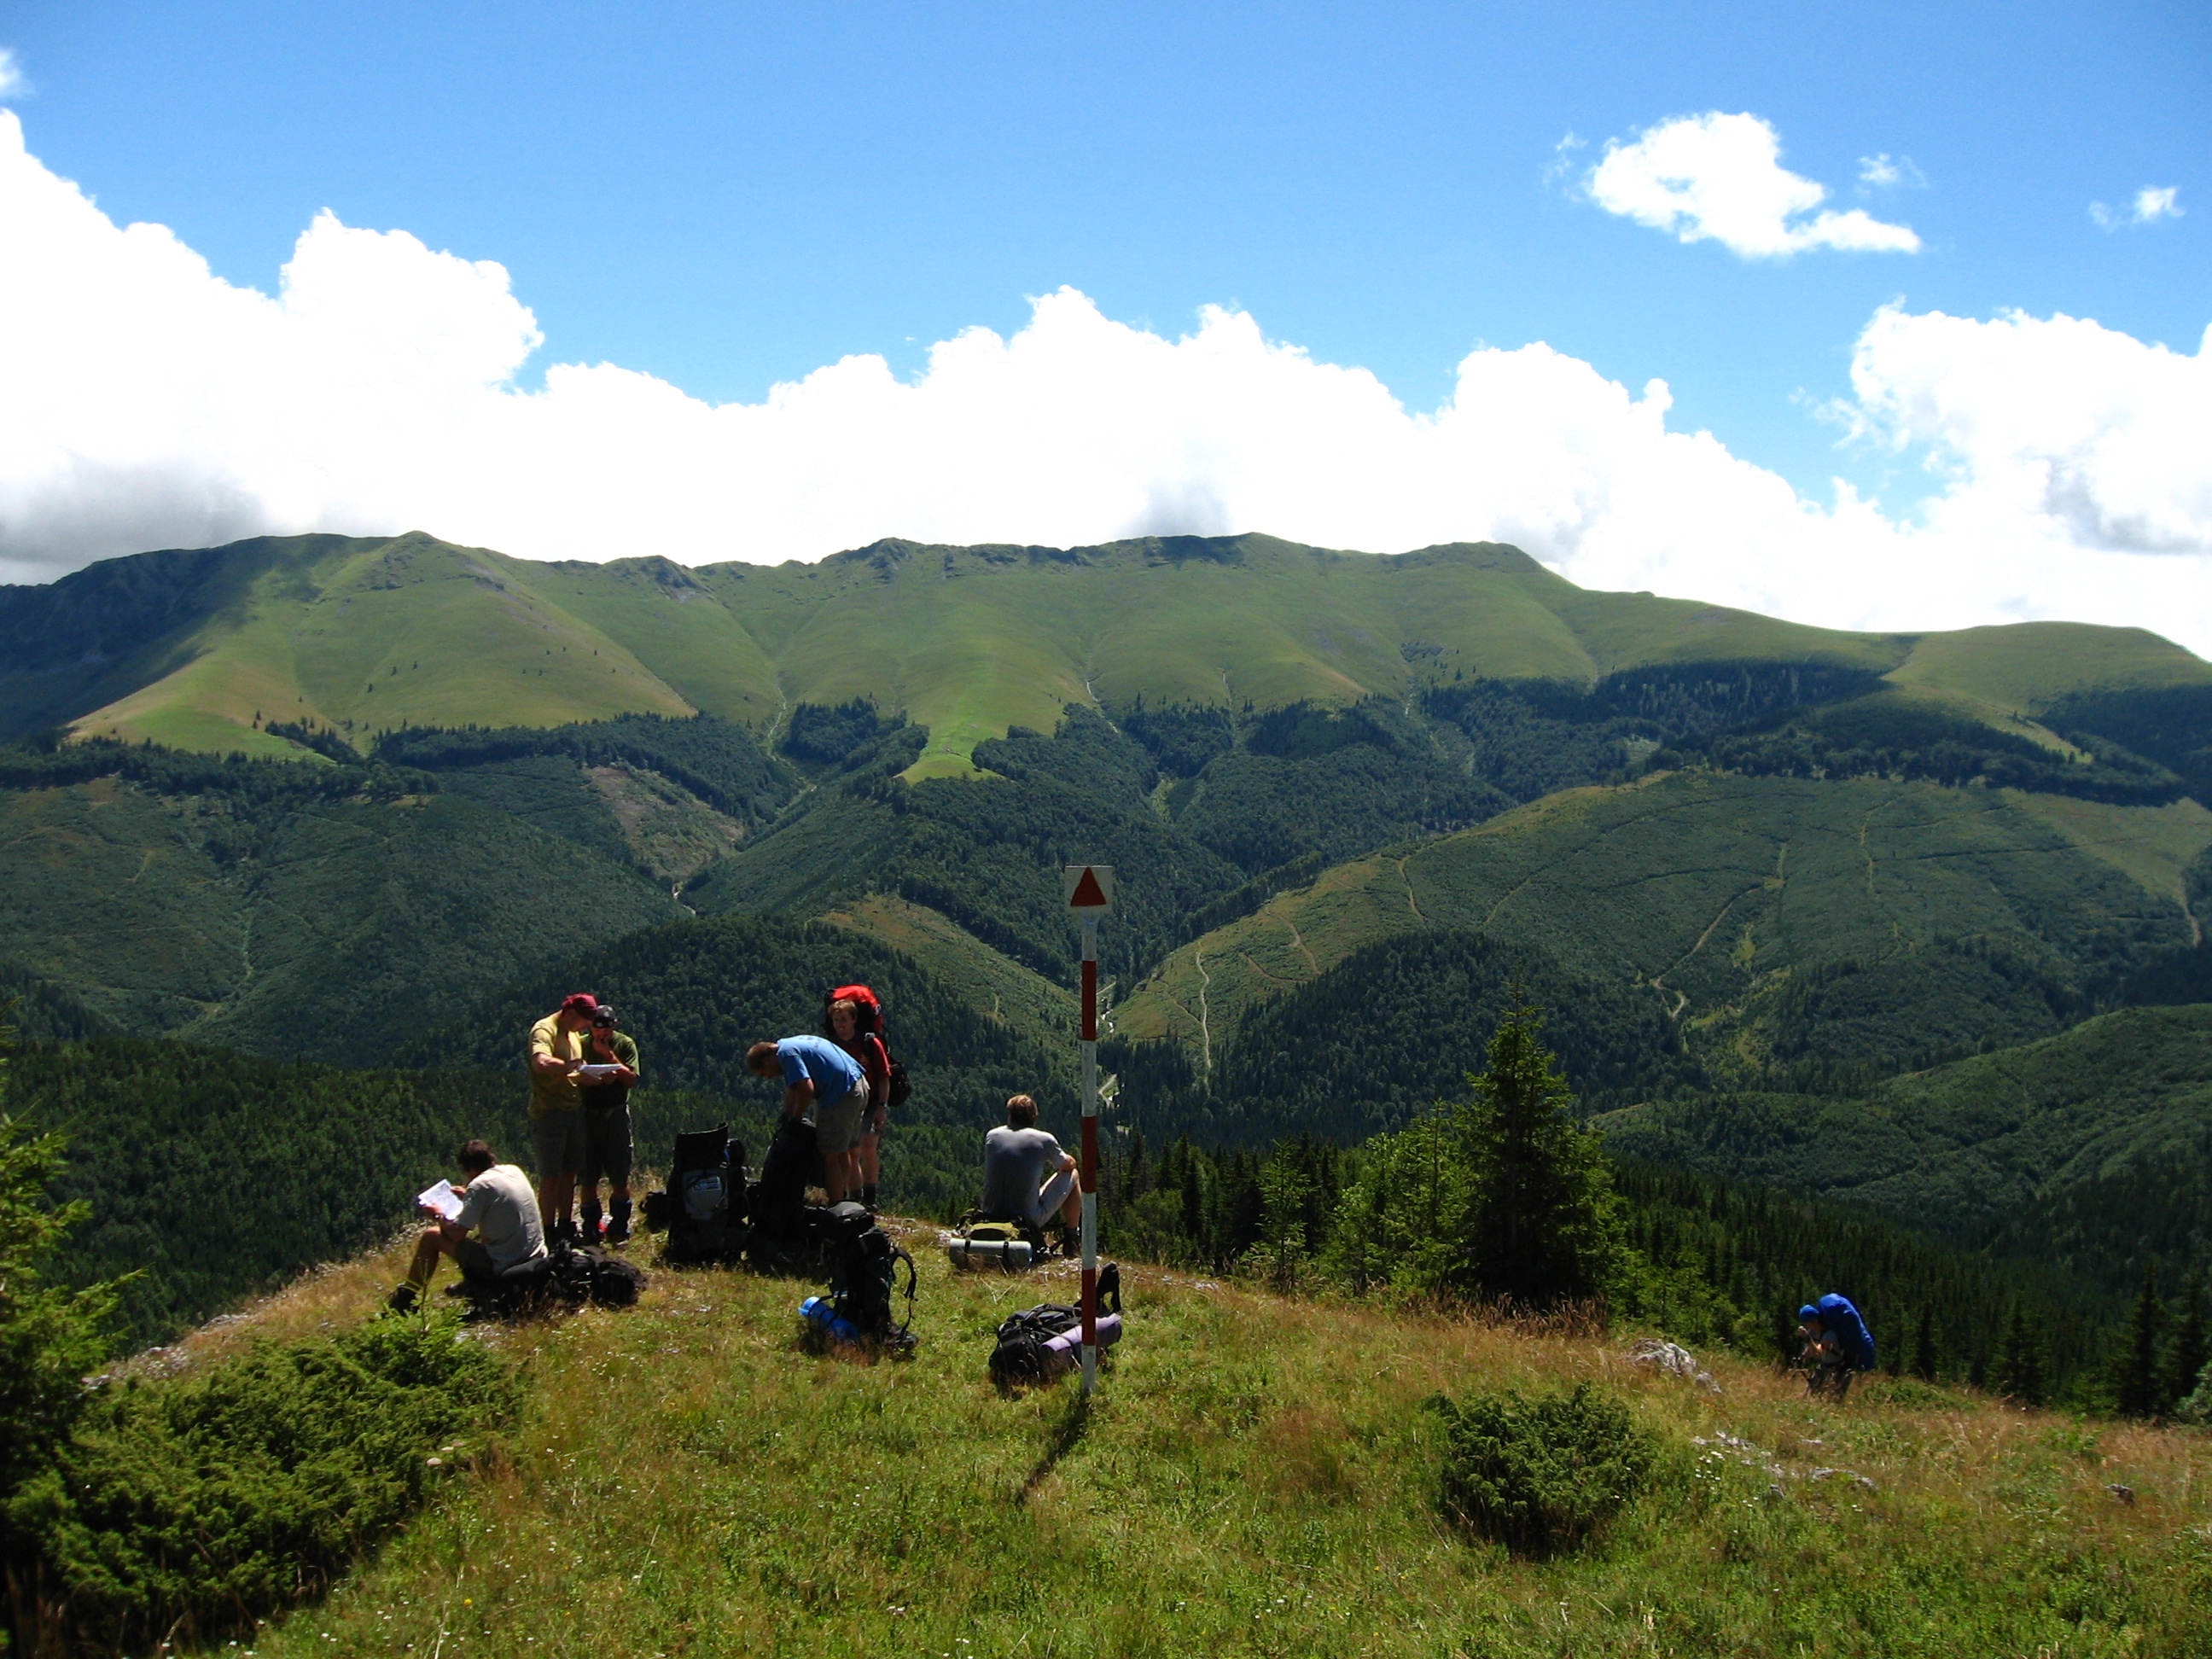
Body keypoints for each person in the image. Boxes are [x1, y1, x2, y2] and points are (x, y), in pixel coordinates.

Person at [387, 1138, 548, 1312]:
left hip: (505, 1263)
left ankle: (405, 1298)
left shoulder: (479, 1186)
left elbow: (456, 1235)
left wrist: (438, 1215)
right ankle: (470, 1284)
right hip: (535, 1255)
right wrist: (468, 1197)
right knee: (478, 1235)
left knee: (431, 1236)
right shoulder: (513, 1170)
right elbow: (497, 1204)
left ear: (471, 1169)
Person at [746, 1033, 869, 1205]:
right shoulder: (790, 1045)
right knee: (841, 1151)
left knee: (829, 1156)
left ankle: (836, 1207)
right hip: (858, 1085)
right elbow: (792, 1090)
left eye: (764, 1073)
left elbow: (806, 1089)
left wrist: (796, 1119)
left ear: (766, 1062)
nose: (769, 1077)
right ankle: (842, 1201)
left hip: (840, 1095)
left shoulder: (786, 1055)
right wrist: (787, 1117)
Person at [529, 992, 610, 1241]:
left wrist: (599, 1077)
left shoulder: (573, 1035)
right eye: (584, 1022)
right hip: (550, 1112)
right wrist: (568, 1066)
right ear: (571, 1013)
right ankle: (548, 1229)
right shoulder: (545, 1029)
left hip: (574, 1110)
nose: (585, 1027)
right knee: (551, 1175)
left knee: (570, 1173)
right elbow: (540, 1062)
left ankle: (565, 1223)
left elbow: (577, 1074)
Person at [824, 984, 892, 1214]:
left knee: (868, 1147)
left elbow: (884, 1077)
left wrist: (882, 1107)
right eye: (836, 1021)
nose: (840, 1025)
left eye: (844, 1020)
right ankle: (856, 1198)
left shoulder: (871, 1043)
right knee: (851, 1151)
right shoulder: (832, 1045)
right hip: (847, 1101)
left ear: (854, 1020)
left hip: (872, 1100)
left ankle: (870, 1199)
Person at [578, 1004, 642, 1244]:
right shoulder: (580, 1043)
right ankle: (591, 1225)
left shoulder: (624, 1044)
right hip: (587, 1113)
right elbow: (573, 1075)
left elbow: (631, 1079)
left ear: (614, 1026)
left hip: (615, 1113)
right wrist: (595, 1080)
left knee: (619, 1174)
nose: (601, 1034)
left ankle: (619, 1225)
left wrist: (609, 1056)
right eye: (596, 1029)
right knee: (588, 1176)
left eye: (606, 1029)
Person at [981, 1094, 1081, 1238]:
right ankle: (1072, 1236)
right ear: (1034, 1116)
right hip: (1026, 1219)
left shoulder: (992, 1135)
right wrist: (1070, 1159)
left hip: (989, 1214)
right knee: (1072, 1173)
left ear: (1010, 1115)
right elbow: (1066, 1165)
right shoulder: (1044, 1139)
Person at [1798, 1303, 1853, 1401]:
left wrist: (1808, 1339)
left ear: (1815, 1321)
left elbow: (1819, 1352)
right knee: (1809, 1395)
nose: (1805, 1325)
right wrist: (1803, 1357)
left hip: (1839, 1370)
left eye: (1806, 1322)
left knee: (1834, 1400)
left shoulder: (1829, 1335)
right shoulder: (1813, 1333)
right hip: (1825, 1367)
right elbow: (1811, 1350)